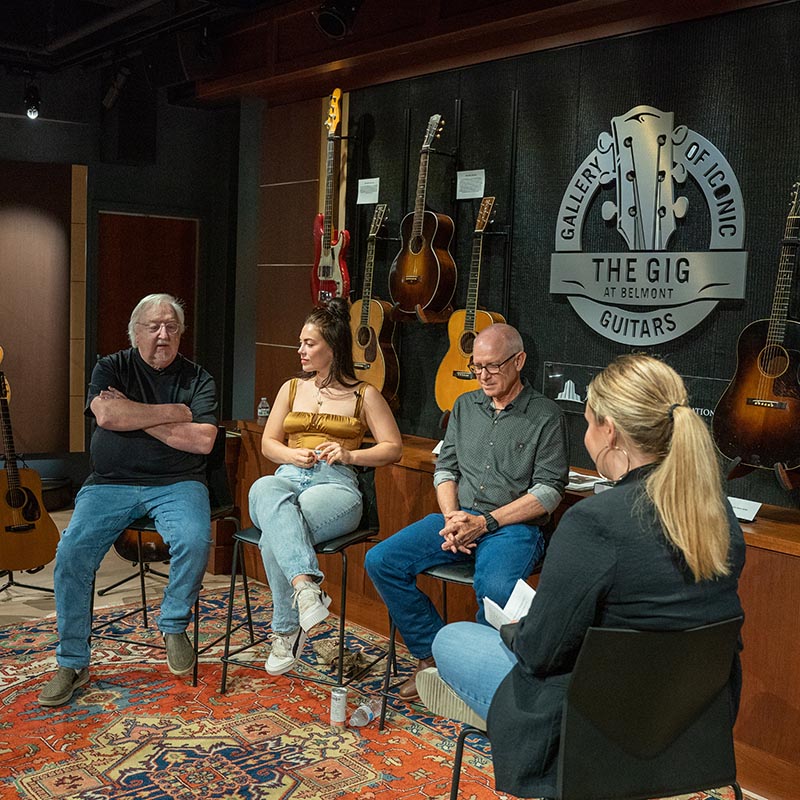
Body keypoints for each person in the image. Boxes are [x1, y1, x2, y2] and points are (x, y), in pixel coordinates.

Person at [416, 353, 746, 798]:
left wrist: (516, 629)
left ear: (608, 430)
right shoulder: (716, 511)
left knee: (451, 640)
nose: (586, 435)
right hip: (692, 713)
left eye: (588, 423)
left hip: (592, 719)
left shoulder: (596, 521)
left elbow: (541, 653)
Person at [365, 323, 569, 702]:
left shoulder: (546, 415)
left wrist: (485, 522)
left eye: (492, 366)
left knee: (494, 590)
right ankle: (433, 658)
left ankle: (479, 678)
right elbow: (446, 469)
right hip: (460, 516)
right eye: (476, 367)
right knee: (381, 560)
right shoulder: (464, 405)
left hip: (514, 527)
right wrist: (451, 517)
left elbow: (548, 492)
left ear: (519, 360)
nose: (483, 376)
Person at [38, 293, 218, 707]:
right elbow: (107, 417)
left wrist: (133, 415)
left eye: (171, 327)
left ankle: (173, 622)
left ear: (181, 333)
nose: (162, 335)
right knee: (71, 553)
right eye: (153, 326)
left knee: (194, 540)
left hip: (178, 483)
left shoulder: (198, 379)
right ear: (134, 332)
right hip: (109, 483)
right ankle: (73, 661)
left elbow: (204, 441)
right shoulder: (111, 366)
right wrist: (173, 412)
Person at [248, 298, 402, 676]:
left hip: (335, 486)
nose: (300, 350)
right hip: (287, 478)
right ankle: (306, 589)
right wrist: (290, 454)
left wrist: (350, 457)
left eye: (309, 343)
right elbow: (269, 443)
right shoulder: (290, 388)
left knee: (274, 536)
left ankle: (285, 631)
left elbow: (393, 448)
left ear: (332, 347)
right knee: (264, 488)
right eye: (300, 343)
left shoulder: (364, 394)